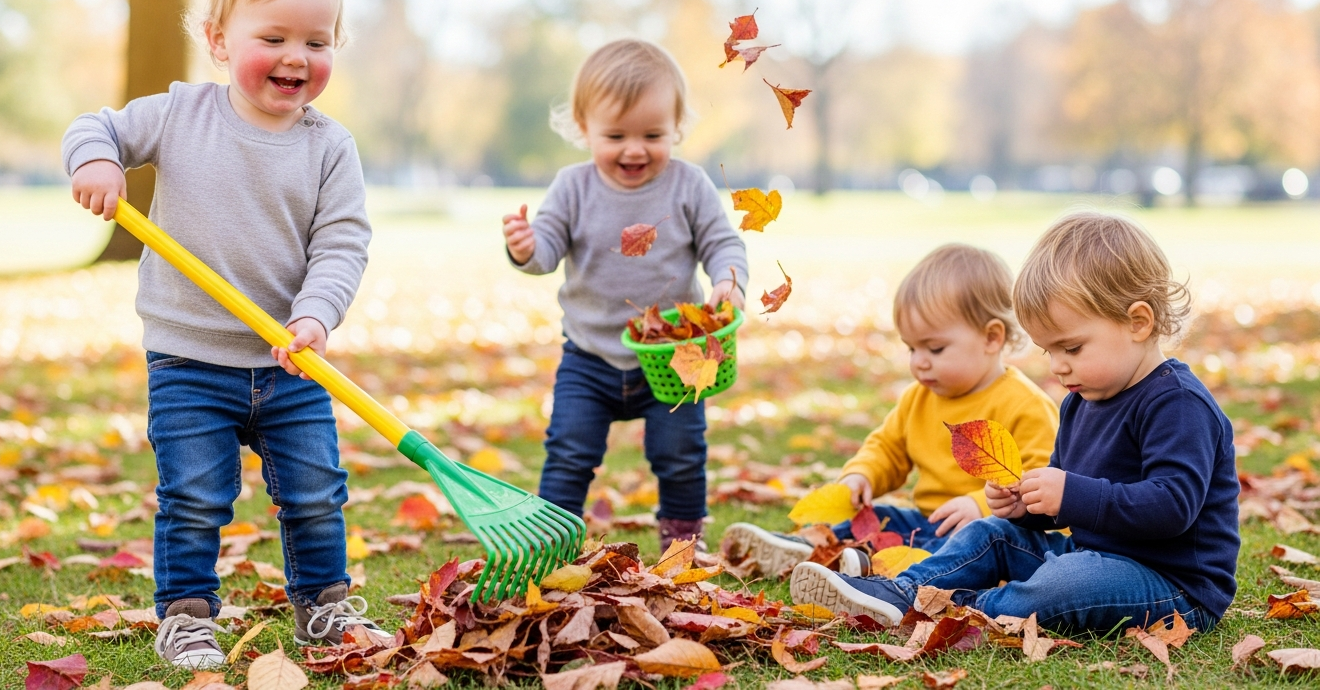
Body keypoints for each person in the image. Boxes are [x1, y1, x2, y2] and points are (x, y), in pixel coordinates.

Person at [62, 0, 387, 668]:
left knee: (314, 491)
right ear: (216, 39)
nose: (297, 56)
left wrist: (315, 315)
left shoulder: (330, 147)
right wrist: (98, 161)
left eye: (318, 39)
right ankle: (187, 615)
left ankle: (325, 609)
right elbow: (97, 125)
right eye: (272, 36)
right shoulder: (180, 114)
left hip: (291, 364)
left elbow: (342, 243)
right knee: (195, 497)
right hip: (189, 360)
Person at [790, 212, 1240, 635]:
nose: (1059, 368)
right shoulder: (1080, 401)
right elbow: (1067, 508)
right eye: (1049, 352)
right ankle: (905, 593)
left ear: (1138, 323)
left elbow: (1172, 507)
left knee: (1066, 580)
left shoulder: (1177, 404)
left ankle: (960, 613)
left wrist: (1069, 492)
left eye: (1073, 348)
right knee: (990, 532)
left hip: (1174, 585)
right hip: (1095, 556)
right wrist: (1027, 506)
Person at [502, 39, 749, 552]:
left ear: (677, 127)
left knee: (681, 451)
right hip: (589, 357)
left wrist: (729, 278)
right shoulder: (572, 187)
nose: (634, 150)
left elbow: (721, 241)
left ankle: (683, 542)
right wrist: (527, 247)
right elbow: (546, 250)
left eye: (653, 135)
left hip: (674, 354)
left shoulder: (689, 185)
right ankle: (553, 538)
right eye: (615, 135)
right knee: (569, 449)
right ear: (584, 127)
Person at [723, 244, 1058, 577]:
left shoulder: (1025, 405)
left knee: (957, 550)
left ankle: (866, 566)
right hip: (927, 520)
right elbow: (887, 447)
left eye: (935, 348)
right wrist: (862, 475)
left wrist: (980, 506)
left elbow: (1039, 480)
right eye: (911, 347)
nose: (918, 361)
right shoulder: (918, 398)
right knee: (881, 515)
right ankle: (808, 547)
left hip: (994, 536)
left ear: (991, 338)